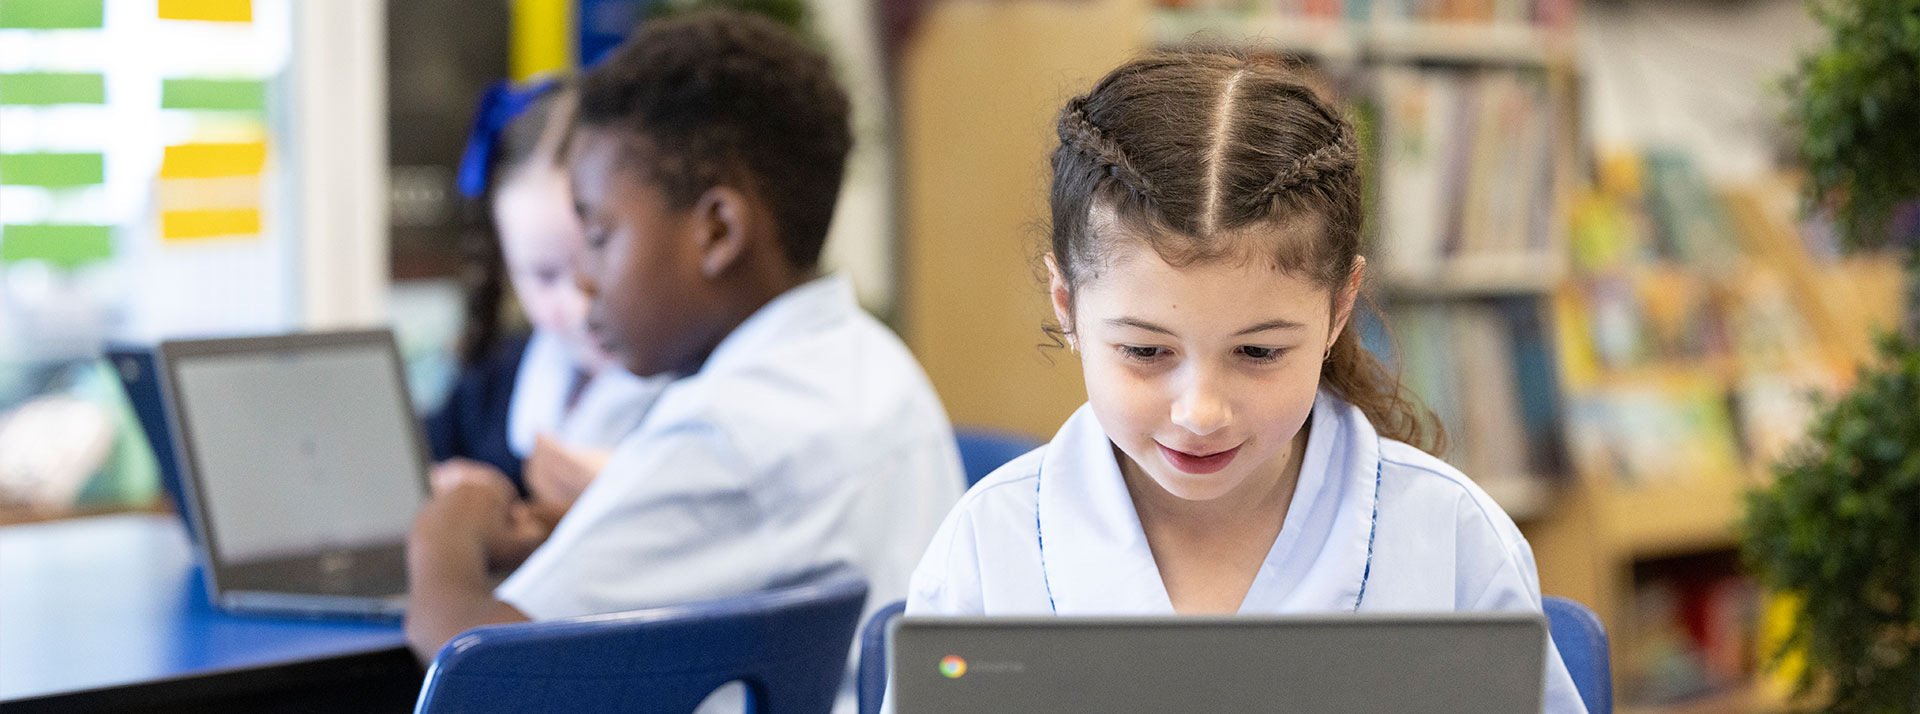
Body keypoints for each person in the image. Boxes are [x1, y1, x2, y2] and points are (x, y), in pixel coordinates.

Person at [904, 50, 1589, 713]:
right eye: (1145, 350)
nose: (1201, 413)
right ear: (1067, 308)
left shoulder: (1453, 539)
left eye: (1258, 353)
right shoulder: (987, 544)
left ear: (1338, 309)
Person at [404, 10, 966, 703]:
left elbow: (487, 658)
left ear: (718, 230)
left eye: (602, 234)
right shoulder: (872, 362)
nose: (584, 280)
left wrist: (446, 534)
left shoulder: (723, 435)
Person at [426, 79, 665, 501]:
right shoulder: (491, 386)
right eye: (544, 275)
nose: (578, 304)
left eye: (598, 257)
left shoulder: (699, 403)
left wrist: (633, 493)